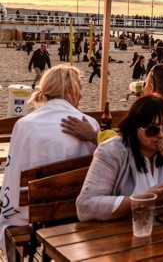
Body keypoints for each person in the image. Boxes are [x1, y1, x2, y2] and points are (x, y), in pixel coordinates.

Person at [0, 65, 99, 253]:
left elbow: (13, 176)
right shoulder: (89, 124)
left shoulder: (24, 124)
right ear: (70, 91)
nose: (82, 95)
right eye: (80, 89)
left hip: (36, 218)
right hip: (76, 213)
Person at [76, 95, 163, 221]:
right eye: (152, 130)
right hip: (124, 233)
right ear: (134, 129)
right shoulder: (113, 151)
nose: (161, 135)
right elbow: (86, 205)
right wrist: (142, 200)